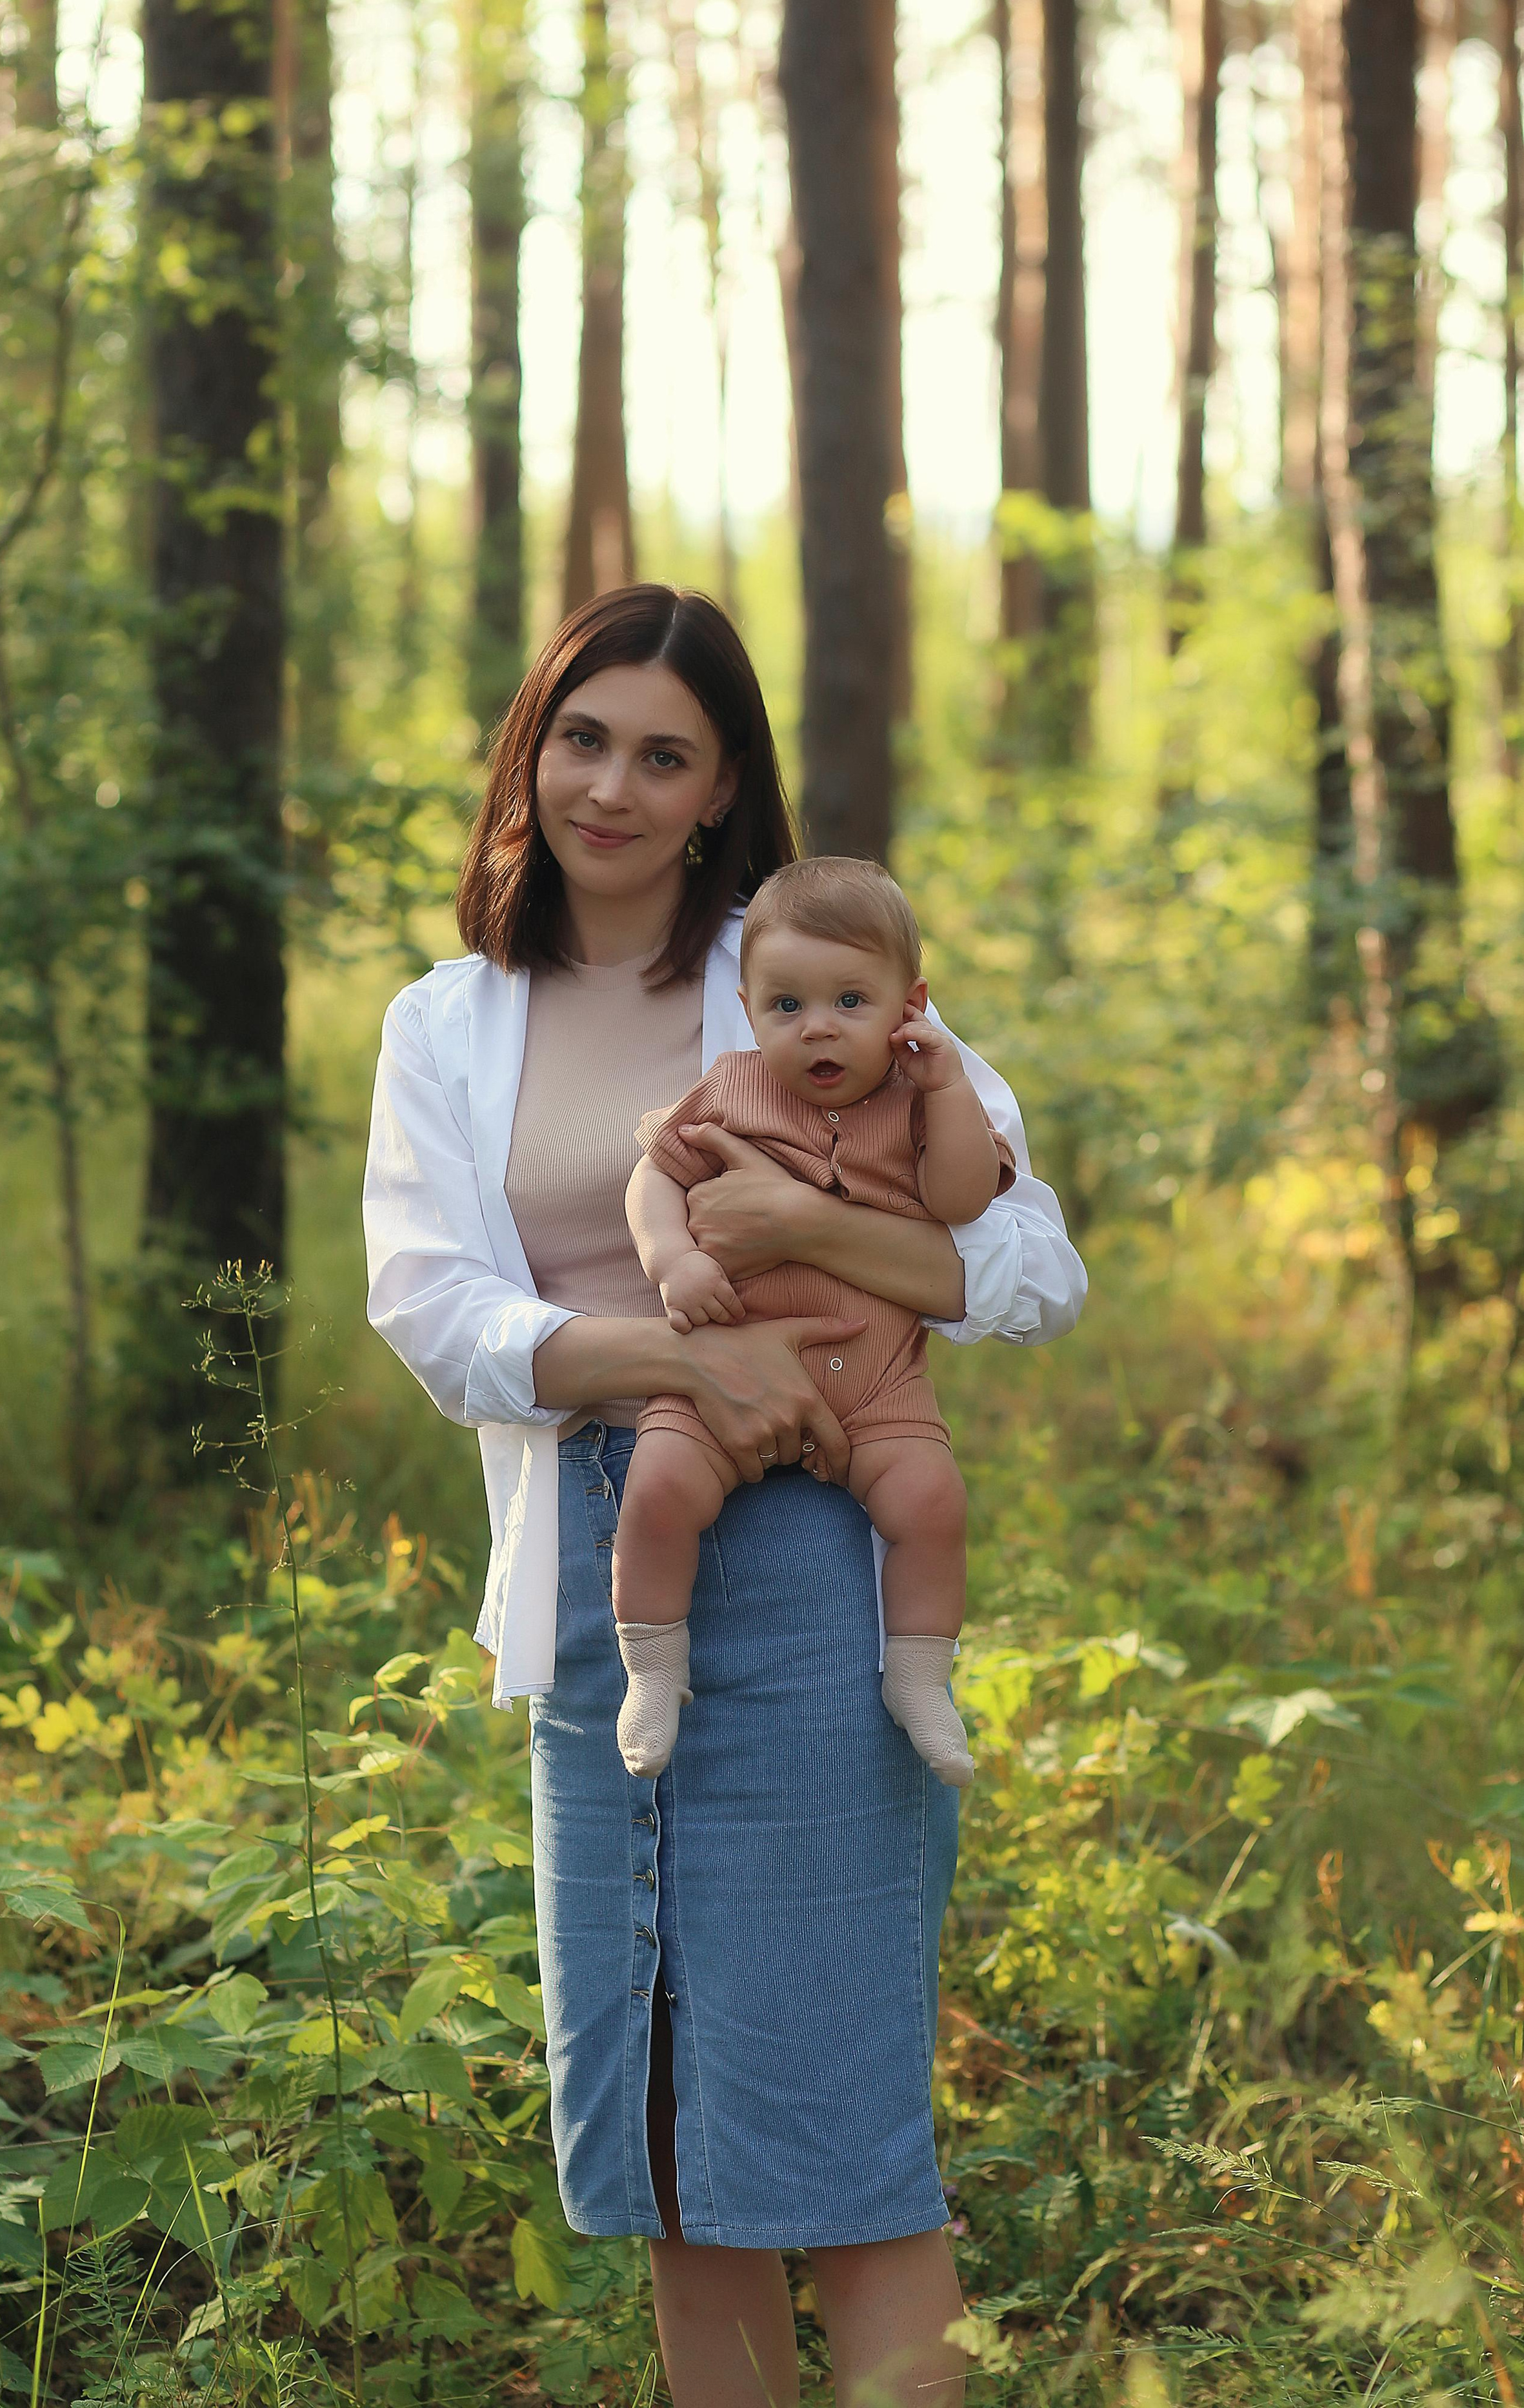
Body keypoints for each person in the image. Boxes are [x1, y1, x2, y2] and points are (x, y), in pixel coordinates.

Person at [363, 583, 1086, 2408]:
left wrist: (806, 1233)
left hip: (821, 1577)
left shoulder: (804, 976)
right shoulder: (451, 1023)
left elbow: (1029, 1271)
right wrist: (688, 1361)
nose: (613, 784)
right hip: (609, 1585)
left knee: (837, 2115)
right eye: (582, 737)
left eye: (664, 754)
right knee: (668, 2132)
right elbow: (437, 1315)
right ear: (533, 751)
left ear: (721, 791)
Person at [614, 855, 1017, 1787]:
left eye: (850, 1001)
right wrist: (672, 1259)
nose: (818, 1028)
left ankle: (920, 1681)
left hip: (876, 1380)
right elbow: (655, 1175)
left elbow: (962, 1202)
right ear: (750, 1009)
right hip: (720, 1364)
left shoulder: (922, 1101)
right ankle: (652, 1667)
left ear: (909, 1006)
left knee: (932, 1504)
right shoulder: (729, 1088)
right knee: (660, 1489)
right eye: (786, 1006)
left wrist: (948, 1088)